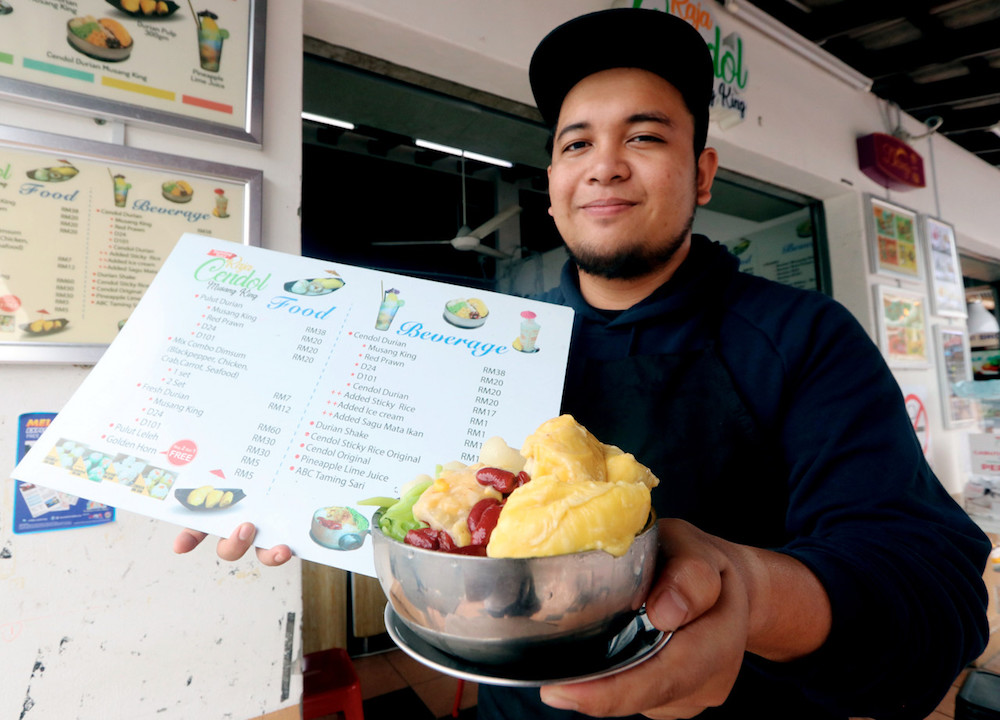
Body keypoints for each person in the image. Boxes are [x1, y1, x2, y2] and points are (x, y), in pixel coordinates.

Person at [177, 8, 991, 719]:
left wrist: (750, 589)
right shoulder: (494, 343)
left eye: (644, 135)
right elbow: (415, 488)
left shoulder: (802, 336)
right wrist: (283, 478)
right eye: (577, 143)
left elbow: (937, 595)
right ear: (555, 178)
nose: (605, 163)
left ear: (703, 174)